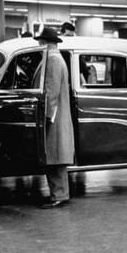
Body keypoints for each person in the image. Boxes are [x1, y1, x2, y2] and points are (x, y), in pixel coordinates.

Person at [35, 27, 75, 208]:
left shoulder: (52, 61)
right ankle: (58, 194)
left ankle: (59, 195)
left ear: (45, 43)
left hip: (55, 117)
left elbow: (51, 91)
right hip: (59, 115)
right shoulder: (57, 59)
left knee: (55, 157)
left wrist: (46, 117)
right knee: (55, 157)